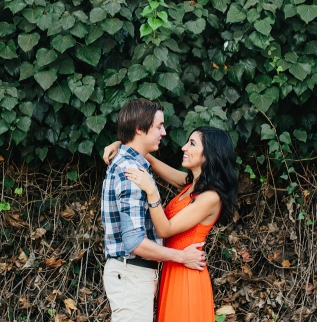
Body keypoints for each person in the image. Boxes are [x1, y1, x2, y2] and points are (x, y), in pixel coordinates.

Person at [103, 125, 238, 322]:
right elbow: (148, 158)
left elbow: (165, 229)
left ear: (209, 155)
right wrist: (119, 144)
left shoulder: (210, 197)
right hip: (173, 267)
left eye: (192, 143)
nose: (183, 147)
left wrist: (151, 192)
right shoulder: (191, 185)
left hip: (187, 273)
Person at [100, 99, 207, 322]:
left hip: (138, 274)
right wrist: (182, 257)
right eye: (159, 126)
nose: (165, 132)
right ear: (140, 129)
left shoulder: (135, 165)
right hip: (132, 273)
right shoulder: (131, 173)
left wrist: (121, 144)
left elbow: (143, 154)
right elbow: (134, 242)